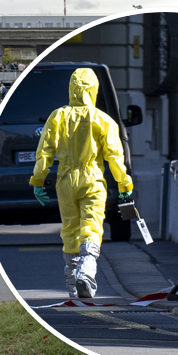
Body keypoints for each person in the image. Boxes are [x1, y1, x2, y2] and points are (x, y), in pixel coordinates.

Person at [29, 69, 134, 298]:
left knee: (69, 230)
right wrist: (125, 186)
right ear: (94, 89)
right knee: (92, 227)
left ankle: (72, 287)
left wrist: (38, 180)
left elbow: (44, 151)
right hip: (92, 180)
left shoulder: (57, 116)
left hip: (65, 181)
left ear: (71, 88)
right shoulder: (103, 120)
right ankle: (86, 274)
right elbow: (115, 158)